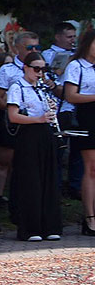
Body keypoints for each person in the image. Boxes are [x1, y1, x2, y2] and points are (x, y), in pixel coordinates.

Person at [6, 51, 63, 241]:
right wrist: (38, 118)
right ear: (26, 68)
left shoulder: (42, 88)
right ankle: (31, 228)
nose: (40, 73)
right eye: (36, 69)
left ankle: (50, 226)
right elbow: (13, 116)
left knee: (49, 179)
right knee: (31, 181)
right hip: (28, 135)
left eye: (43, 69)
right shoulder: (17, 87)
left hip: (45, 134)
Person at [0, 31, 41, 213]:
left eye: (36, 48)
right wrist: (15, 110)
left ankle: (22, 196)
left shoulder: (39, 67)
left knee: (25, 162)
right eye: (29, 48)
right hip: (8, 120)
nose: (33, 51)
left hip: (33, 122)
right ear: (17, 48)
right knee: (4, 160)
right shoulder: (7, 70)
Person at [62, 29, 95, 235]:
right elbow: (70, 96)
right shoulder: (76, 66)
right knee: (91, 168)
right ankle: (90, 217)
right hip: (87, 116)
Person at [45, 20, 83, 199]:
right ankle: (56, 186)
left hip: (77, 105)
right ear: (58, 37)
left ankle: (76, 186)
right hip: (58, 107)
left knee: (79, 148)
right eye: (69, 37)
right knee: (58, 149)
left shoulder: (79, 55)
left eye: (74, 37)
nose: (72, 40)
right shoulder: (47, 55)